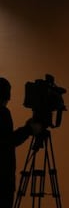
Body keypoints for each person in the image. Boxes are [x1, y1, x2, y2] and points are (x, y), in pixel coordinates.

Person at [0, 77, 42, 208]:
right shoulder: (2, 113)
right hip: (3, 181)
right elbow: (7, 141)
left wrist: (27, 128)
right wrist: (29, 129)